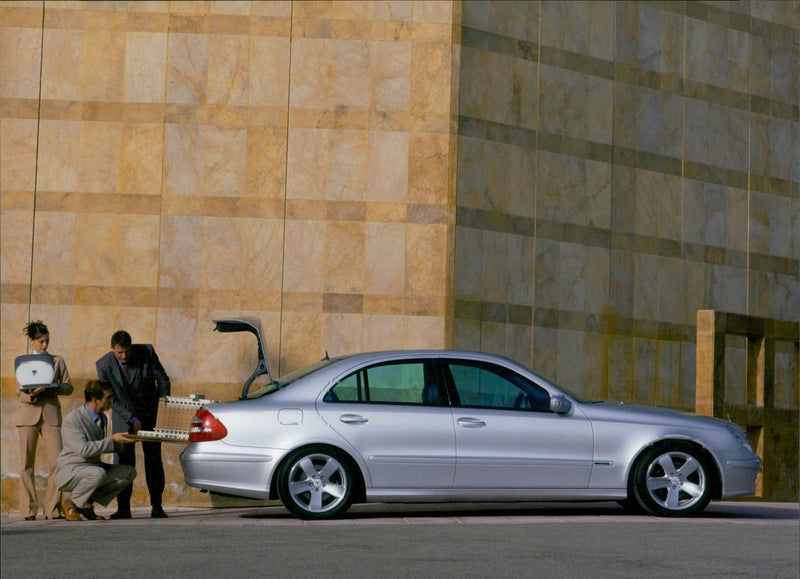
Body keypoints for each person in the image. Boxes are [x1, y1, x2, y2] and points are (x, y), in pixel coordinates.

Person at [96, 330, 170, 519]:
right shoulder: (103, 365)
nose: (124, 356)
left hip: (150, 411)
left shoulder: (146, 352)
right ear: (113, 349)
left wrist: (163, 404)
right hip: (123, 415)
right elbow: (110, 397)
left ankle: (157, 505)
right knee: (123, 461)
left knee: (153, 458)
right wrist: (131, 418)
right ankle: (123, 508)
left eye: (127, 351)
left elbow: (162, 378)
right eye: (120, 352)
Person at [15, 320, 74, 521]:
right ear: (31, 341)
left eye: (47, 341)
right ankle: (28, 510)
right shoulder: (22, 362)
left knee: (57, 462)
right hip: (27, 414)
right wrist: (32, 394)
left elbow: (69, 387)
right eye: (40, 341)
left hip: (50, 414)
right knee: (25, 464)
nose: (44, 345)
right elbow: (18, 393)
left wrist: (54, 386)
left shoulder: (57, 361)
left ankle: (53, 509)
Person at [55, 380, 136, 521]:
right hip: (71, 470)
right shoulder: (73, 420)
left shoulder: (102, 417)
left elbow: (99, 445)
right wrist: (112, 440)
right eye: (109, 397)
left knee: (128, 472)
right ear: (96, 400)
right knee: (97, 474)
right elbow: (84, 450)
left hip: (93, 468)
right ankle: (70, 503)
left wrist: (126, 441)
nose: (112, 400)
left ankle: (86, 503)